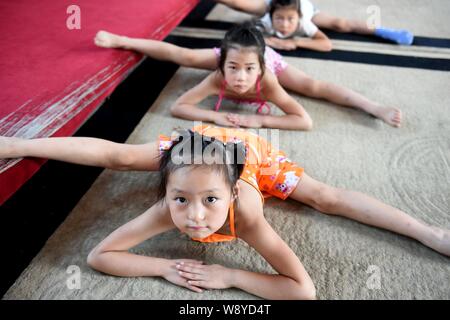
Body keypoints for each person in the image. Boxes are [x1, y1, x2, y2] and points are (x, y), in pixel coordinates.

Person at [1, 125, 448, 299]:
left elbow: (303, 291)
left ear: (232, 196)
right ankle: (16, 144)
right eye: (181, 200)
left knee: (324, 197)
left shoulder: (247, 213)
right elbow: (100, 256)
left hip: (247, 154)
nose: (195, 217)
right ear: (165, 191)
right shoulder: (168, 208)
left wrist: (233, 276)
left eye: (210, 201)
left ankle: (429, 232)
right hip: (194, 145)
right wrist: (164, 267)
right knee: (120, 156)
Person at [94, 23, 402, 128]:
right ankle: (125, 40)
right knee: (184, 55)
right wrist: (215, 118)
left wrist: (259, 120)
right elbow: (178, 106)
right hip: (234, 52)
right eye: (233, 69)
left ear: (260, 69)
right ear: (221, 64)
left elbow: (303, 120)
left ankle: (374, 106)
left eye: (248, 71)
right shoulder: (217, 74)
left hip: (270, 58)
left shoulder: (267, 77)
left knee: (312, 86)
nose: (240, 78)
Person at [215, 0, 414, 51]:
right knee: (238, 3)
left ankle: (387, 31)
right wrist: (270, 40)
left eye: (289, 21)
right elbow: (253, 37)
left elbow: (326, 44)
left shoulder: (304, 22)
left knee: (341, 23)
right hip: (274, 4)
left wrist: (296, 42)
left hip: (300, 7)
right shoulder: (266, 19)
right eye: (280, 20)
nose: (284, 26)